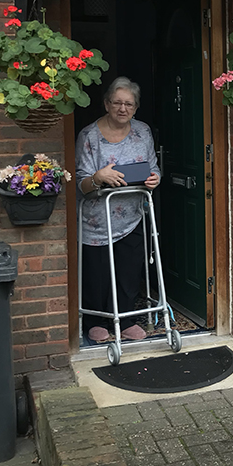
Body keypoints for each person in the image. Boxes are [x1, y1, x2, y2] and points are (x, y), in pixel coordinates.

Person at [76, 76, 160, 344]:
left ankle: (126, 319)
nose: (123, 109)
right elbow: (81, 183)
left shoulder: (143, 131)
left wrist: (154, 178)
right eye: (117, 103)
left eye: (129, 104)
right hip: (97, 219)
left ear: (135, 108)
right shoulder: (89, 136)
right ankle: (96, 321)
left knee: (129, 270)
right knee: (97, 273)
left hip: (132, 216)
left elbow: (153, 167)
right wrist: (98, 177)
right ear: (106, 104)